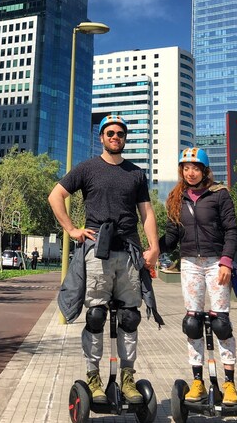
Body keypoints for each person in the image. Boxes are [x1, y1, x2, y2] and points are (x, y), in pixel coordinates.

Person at [48, 114, 160, 405]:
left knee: (130, 318)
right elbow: (55, 196)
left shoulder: (135, 173)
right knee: (96, 316)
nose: (115, 137)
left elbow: (146, 213)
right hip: (98, 253)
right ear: (101, 137)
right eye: (110, 133)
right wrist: (72, 229)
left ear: (125, 139)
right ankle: (93, 377)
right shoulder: (87, 169)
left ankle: (127, 378)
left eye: (120, 133)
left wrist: (154, 247)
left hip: (129, 253)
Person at [162, 147, 237, 406]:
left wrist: (226, 261)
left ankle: (229, 384)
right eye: (186, 168)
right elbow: (172, 237)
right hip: (190, 264)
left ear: (205, 170)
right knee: (192, 323)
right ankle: (197, 380)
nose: (190, 172)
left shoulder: (219, 195)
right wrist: (153, 249)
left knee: (221, 323)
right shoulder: (177, 198)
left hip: (217, 262)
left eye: (195, 168)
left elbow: (231, 229)